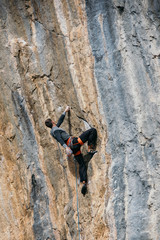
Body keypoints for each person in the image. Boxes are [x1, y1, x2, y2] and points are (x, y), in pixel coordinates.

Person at [45, 106, 97, 196]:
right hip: (74, 143)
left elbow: (60, 121)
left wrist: (65, 111)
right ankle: (90, 148)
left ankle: (84, 182)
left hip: (73, 148)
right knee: (92, 131)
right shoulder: (56, 131)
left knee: (81, 164)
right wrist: (66, 147)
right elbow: (59, 139)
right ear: (52, 122)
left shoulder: (53, 130)